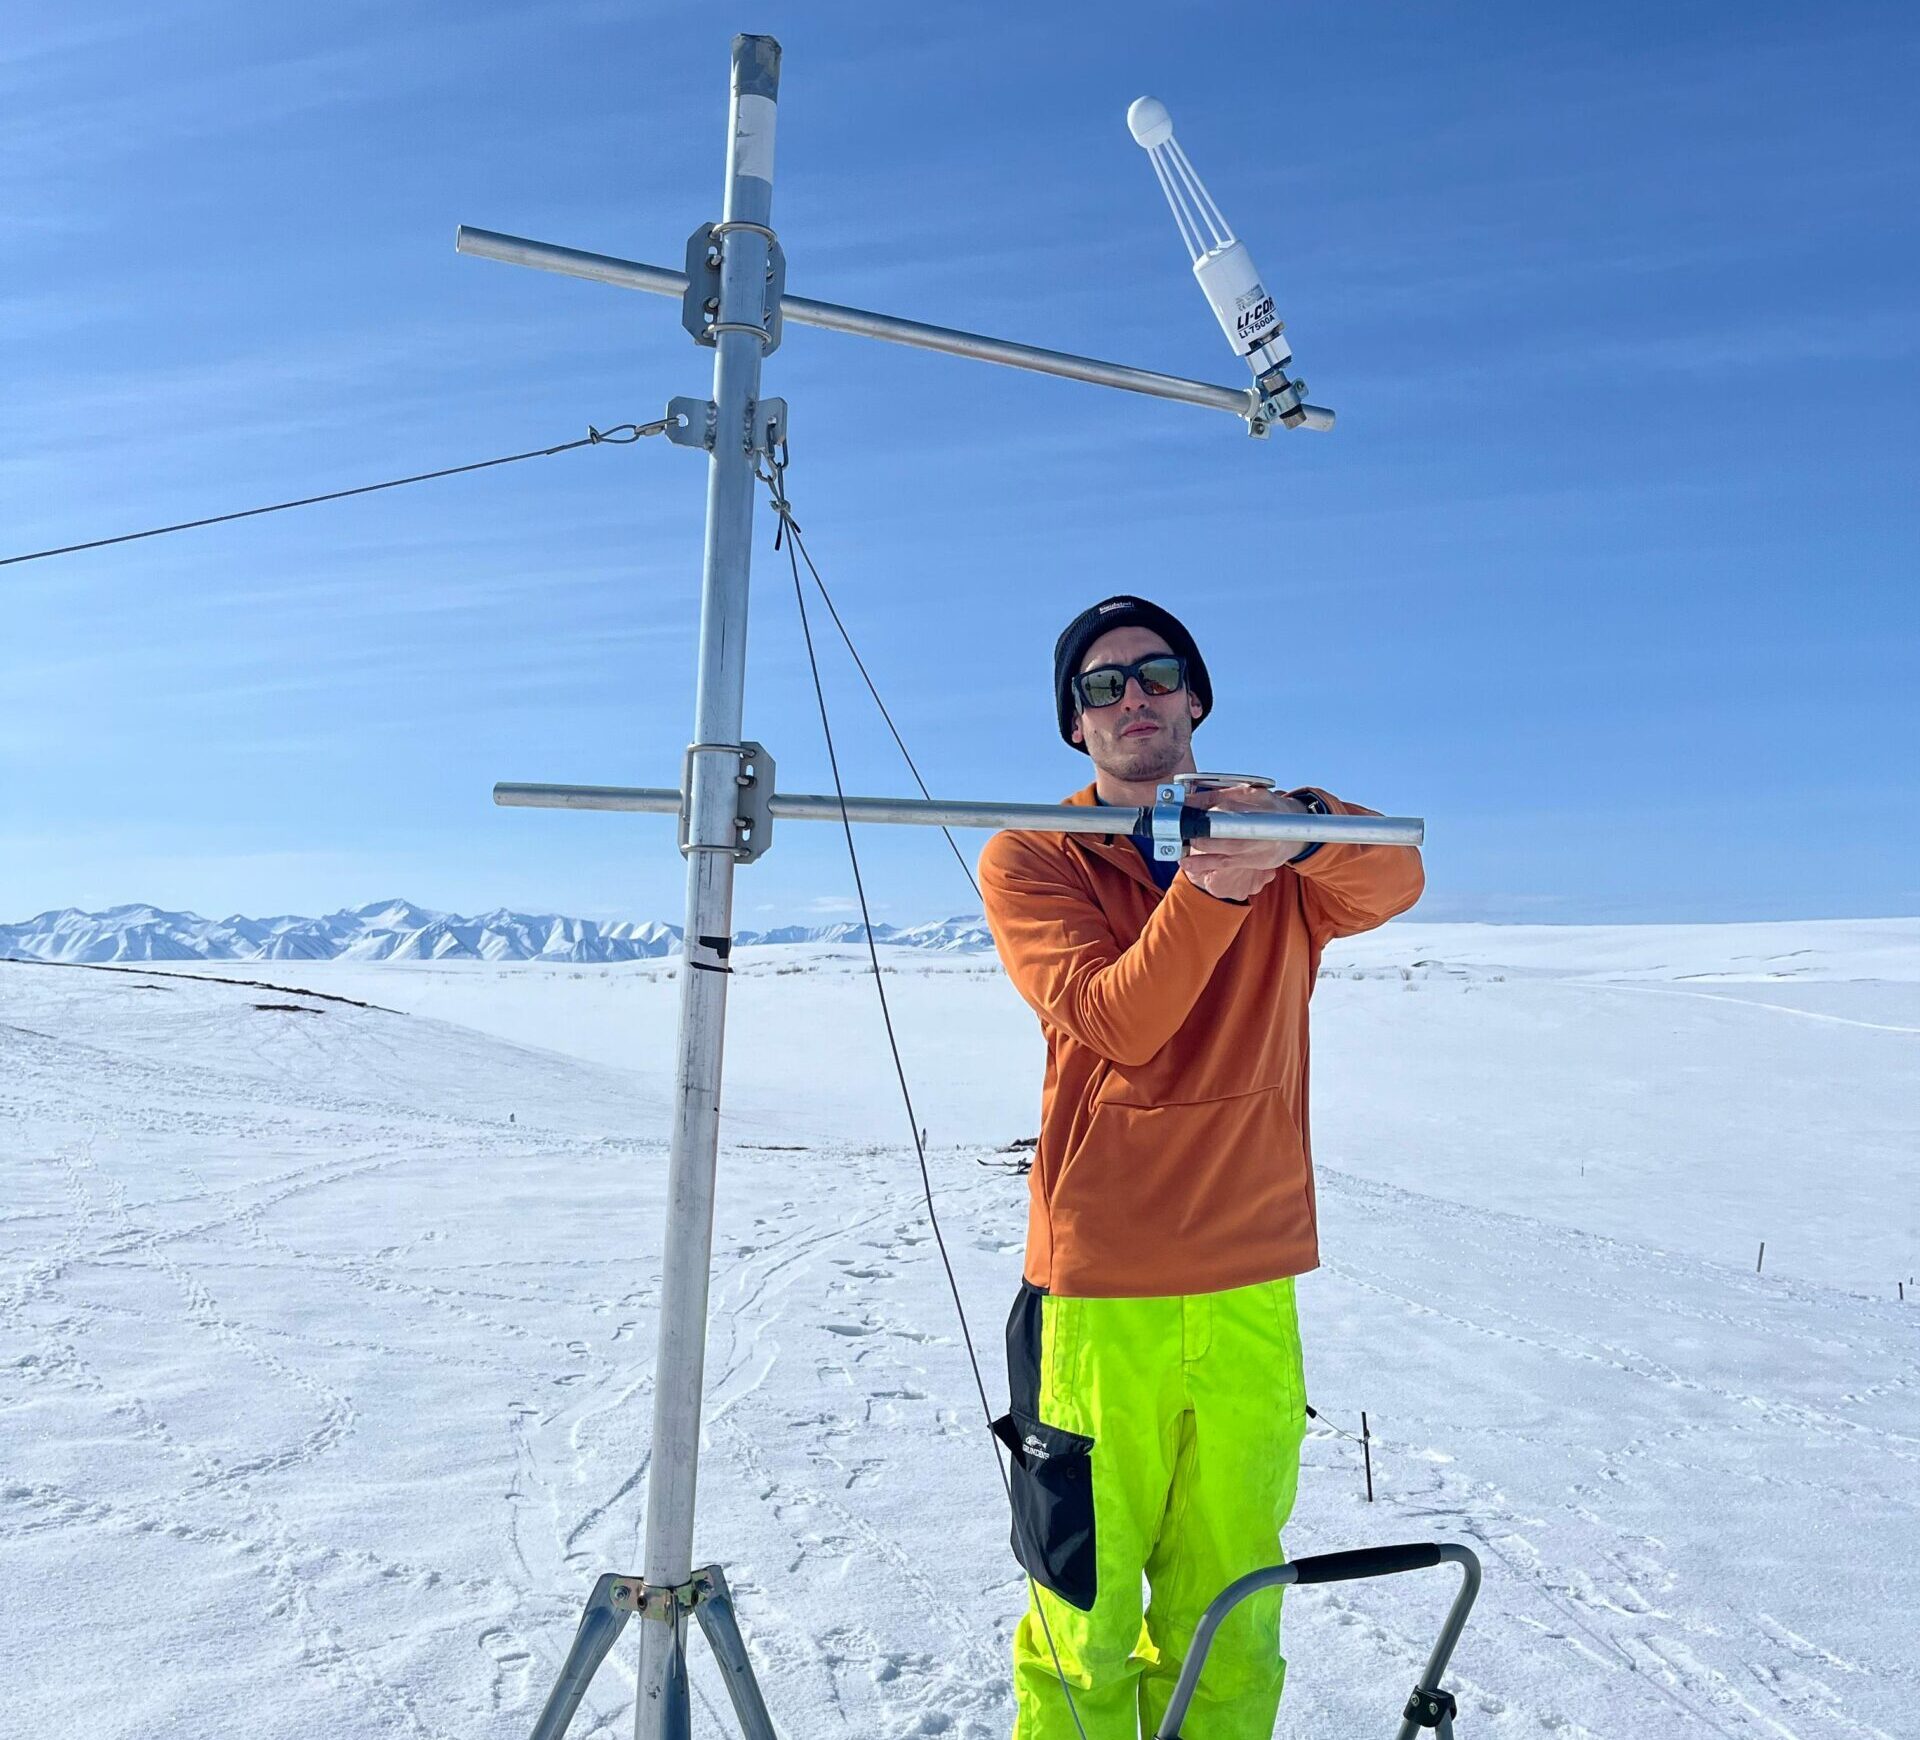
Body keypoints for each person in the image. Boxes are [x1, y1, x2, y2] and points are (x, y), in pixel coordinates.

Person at [978, 595, 1424, 1740]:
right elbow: (1115, 1021)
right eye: (1102, 685)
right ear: (1075, 724)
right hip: (1099, 1291)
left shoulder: (1277, 837)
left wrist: (1294, 830)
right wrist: (1217, 887)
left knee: (1232, 1612)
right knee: (1080, 1622)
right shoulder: (1034, 852)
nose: (1133, 697)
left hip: (1247, 1279)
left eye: (1158, 673)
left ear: (1197, 699)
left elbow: (1397, 877)